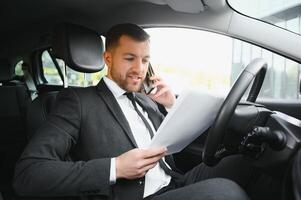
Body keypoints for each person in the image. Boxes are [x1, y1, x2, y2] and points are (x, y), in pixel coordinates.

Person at [13, 23, 251, 200]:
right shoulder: (77, 101)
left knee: (246, 161)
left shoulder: (147, 100)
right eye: (129, 58)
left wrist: (171, 106)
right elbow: (28, 174)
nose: (140, 69)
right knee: (225, 192)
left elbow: (175, 143)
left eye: (145, 60)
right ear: (108, 58)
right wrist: (115, 168)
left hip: (175, 182)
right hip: (137, 197)